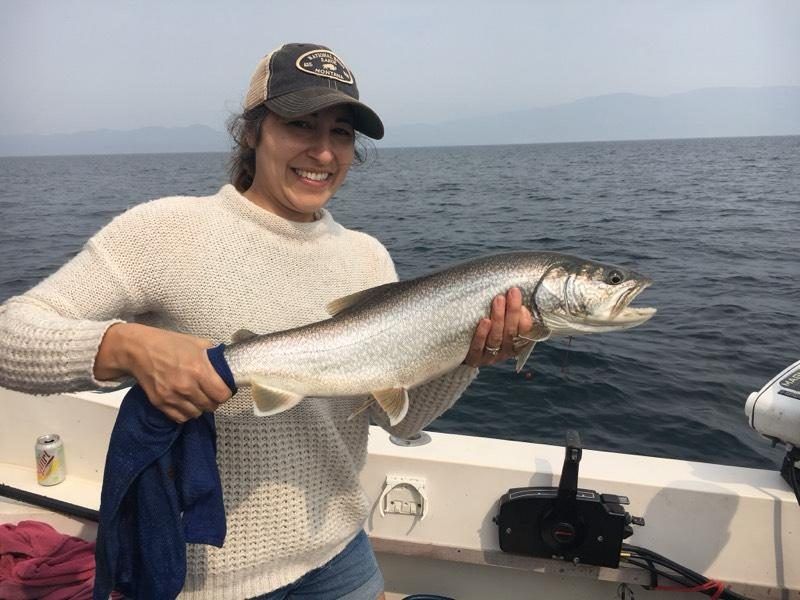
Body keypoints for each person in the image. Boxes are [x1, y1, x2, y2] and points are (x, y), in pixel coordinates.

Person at [0, 43, 532, 599]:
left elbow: (396, 417)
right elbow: (12, 333)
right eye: (301, 124)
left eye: (342, 133)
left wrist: (466, 359)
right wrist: (127, 346)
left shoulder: (368, 257)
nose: (323, 152)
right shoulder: (163, 231)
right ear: (252, 133)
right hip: (199, 576)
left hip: (340, 557)